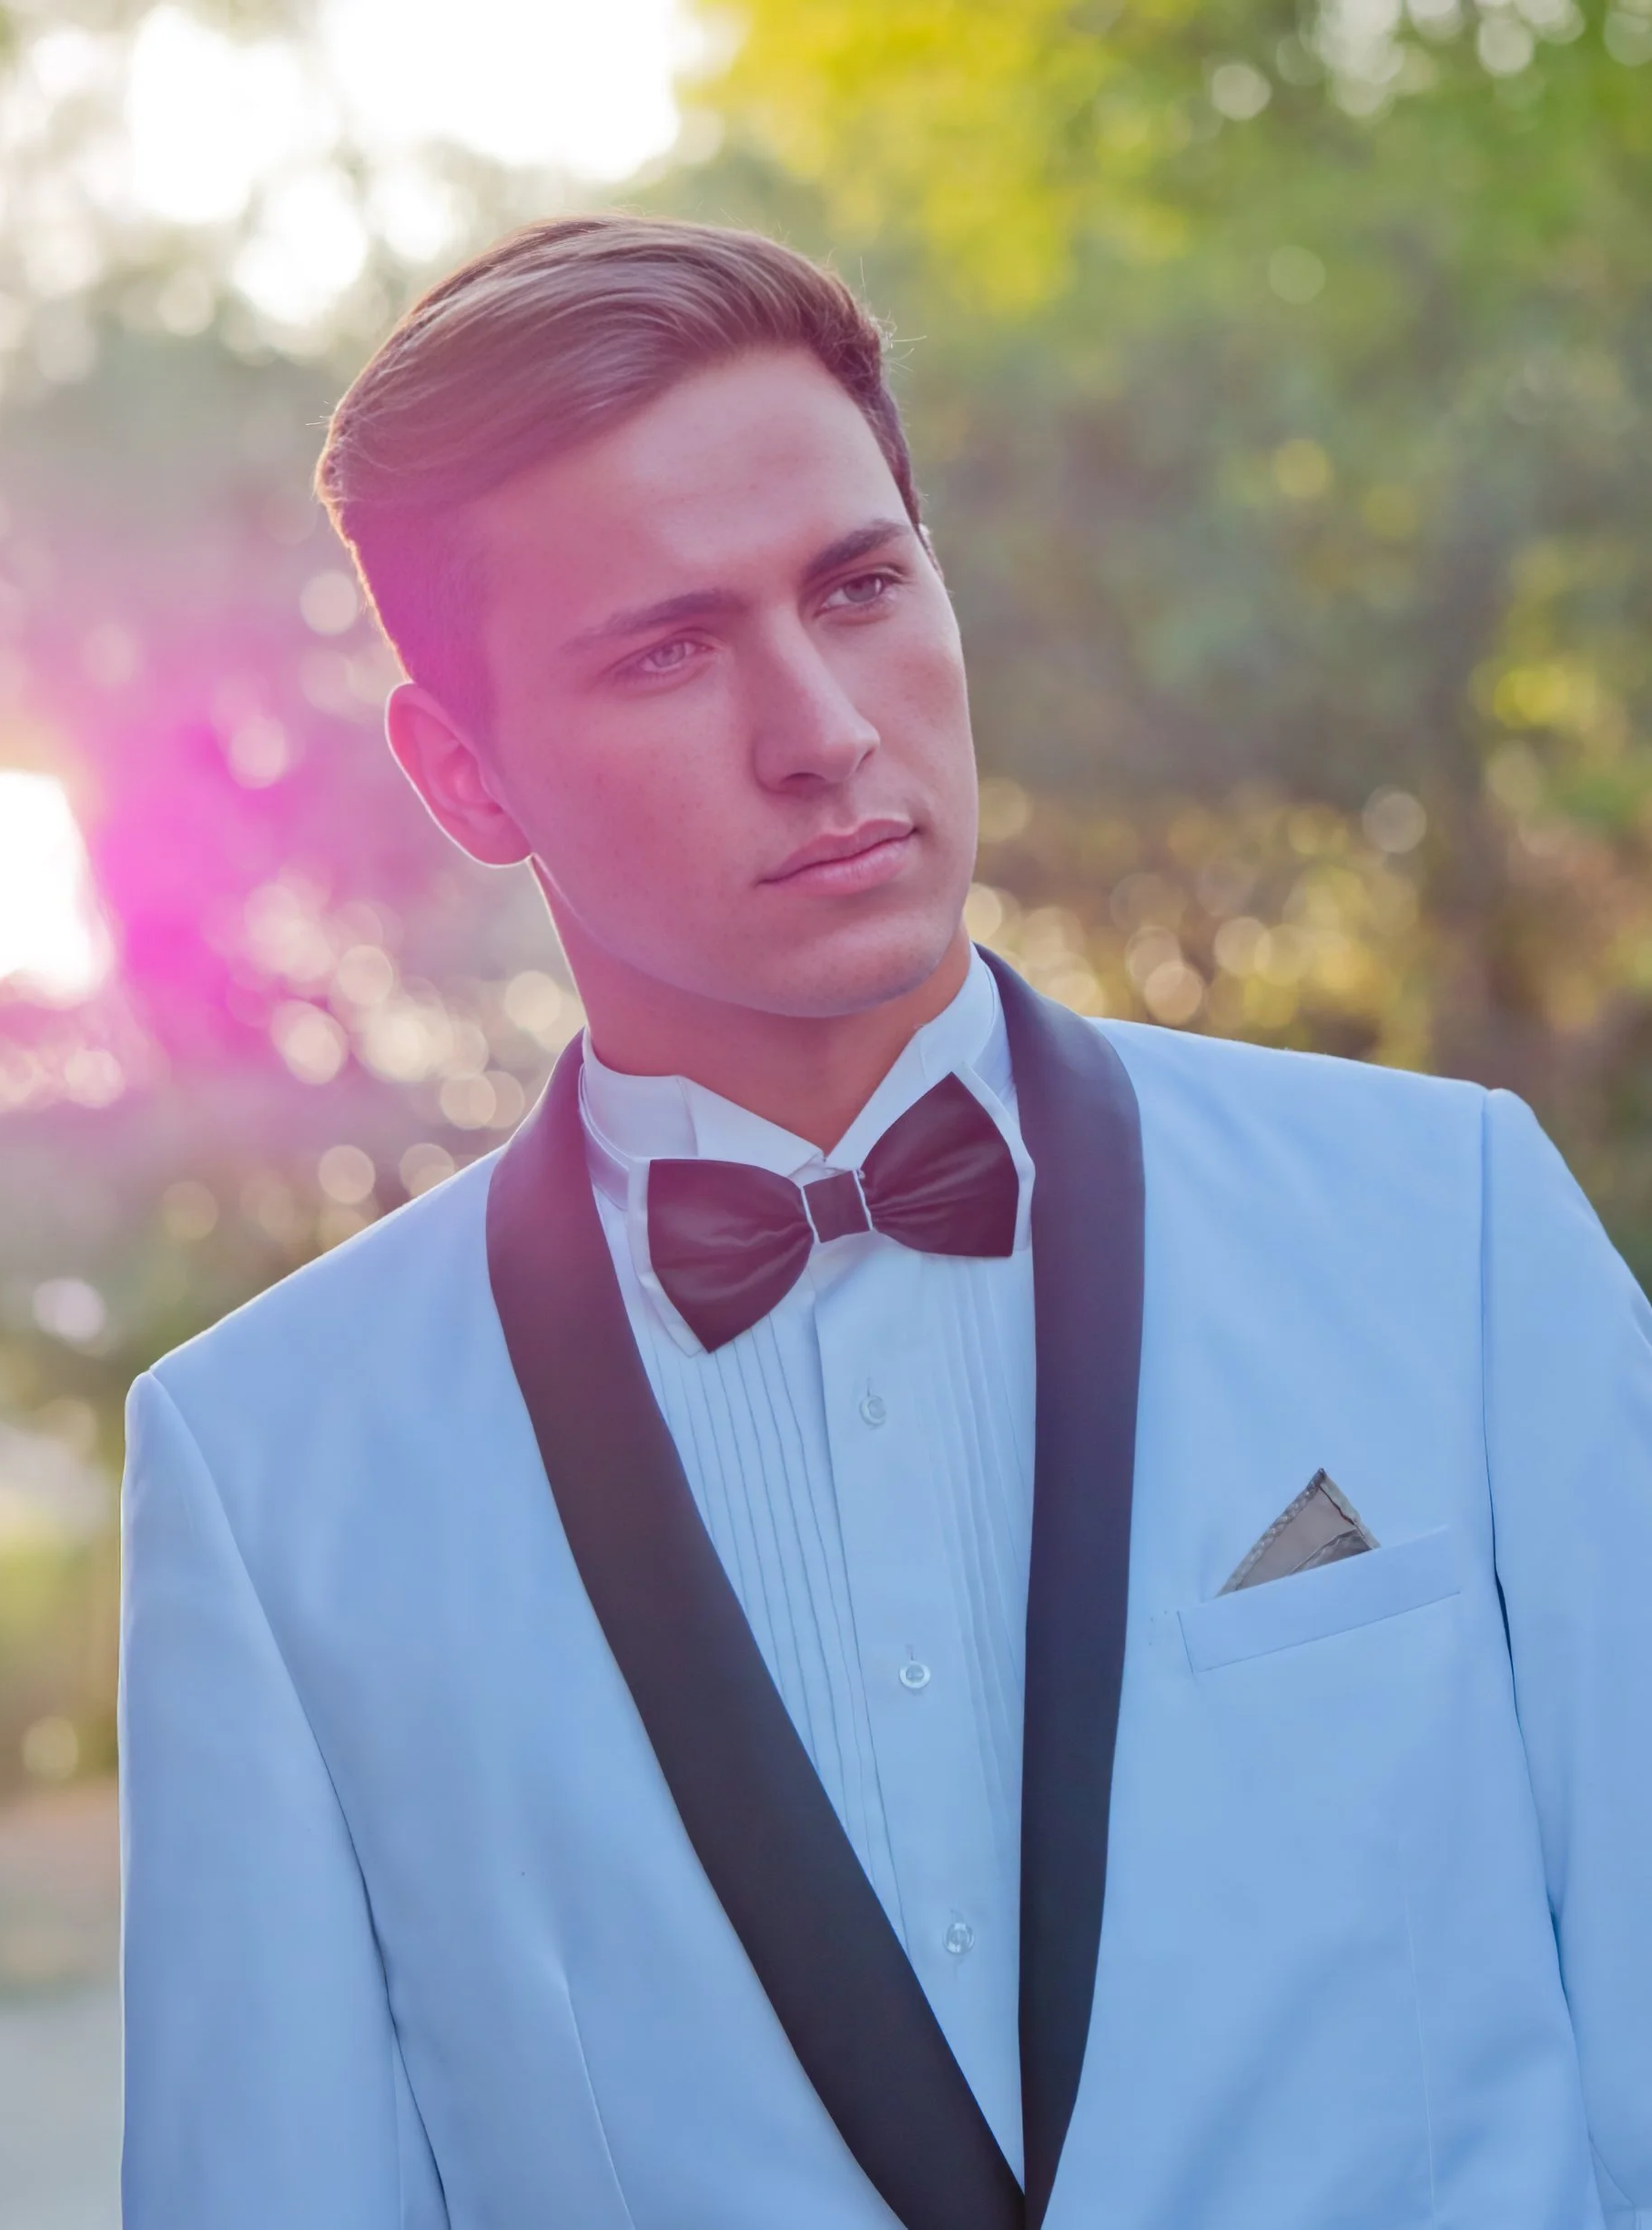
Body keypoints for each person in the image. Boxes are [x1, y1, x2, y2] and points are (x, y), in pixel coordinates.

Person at [118, 217, 1651, 2230]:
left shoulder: (1443, 1225)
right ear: (464, 774)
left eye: (856, 587)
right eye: (665, 647)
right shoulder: (267, 1470)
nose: (819, 726)